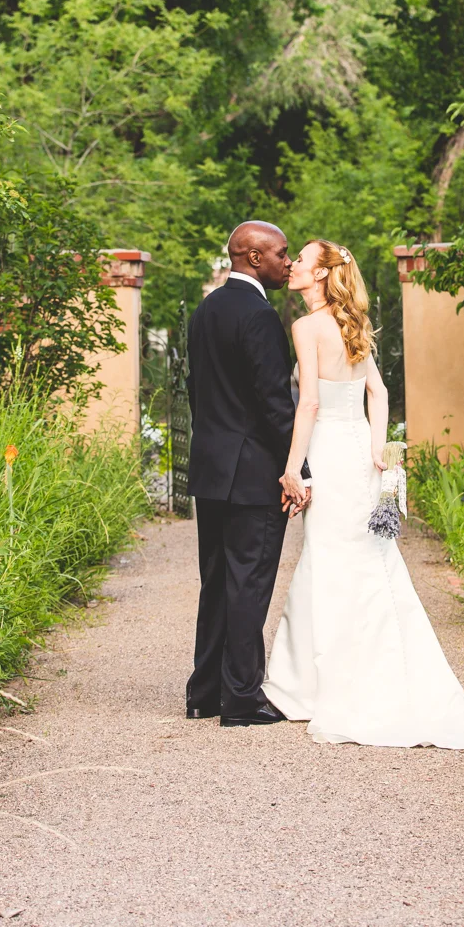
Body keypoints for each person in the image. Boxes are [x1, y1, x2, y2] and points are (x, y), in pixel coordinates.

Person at [263, 239, 464, 750]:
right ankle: (369, 675)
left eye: (302, 261)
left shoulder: (307, 327)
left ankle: (310, 688)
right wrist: (378, 450)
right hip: (359, 451)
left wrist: (292, 468)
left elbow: (308, 404)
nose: (292, 267)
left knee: (328, 559)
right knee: (369, 560)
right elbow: (377, 393)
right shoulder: (352, 322)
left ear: (320, 274)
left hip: (329, 451)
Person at [185, 220, 309, 727]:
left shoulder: (206, 309)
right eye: (282, 253)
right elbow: (275, 402)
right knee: (248, 583)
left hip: (212, 469)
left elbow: (197, 391)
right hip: (253, 473)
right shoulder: (259, 315)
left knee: (216, 581)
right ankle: (241, 698)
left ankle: (204, 692)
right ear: (255, 258)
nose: (287, 262)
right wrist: (298, 469)